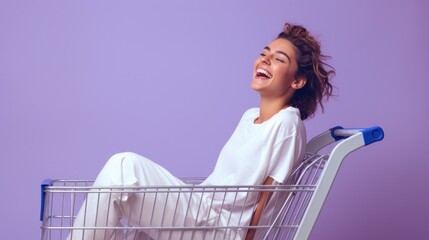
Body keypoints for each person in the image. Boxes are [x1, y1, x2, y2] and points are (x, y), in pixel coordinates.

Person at [67, 22, 335, 240]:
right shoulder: (249, 117)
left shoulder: (287, 124)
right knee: (126, 209)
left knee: (124, 166)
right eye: (264, 53)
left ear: (298, 80)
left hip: (219, 230)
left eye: (278, 59)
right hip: (201, 210)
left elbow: (268, 201)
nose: (264, 60)